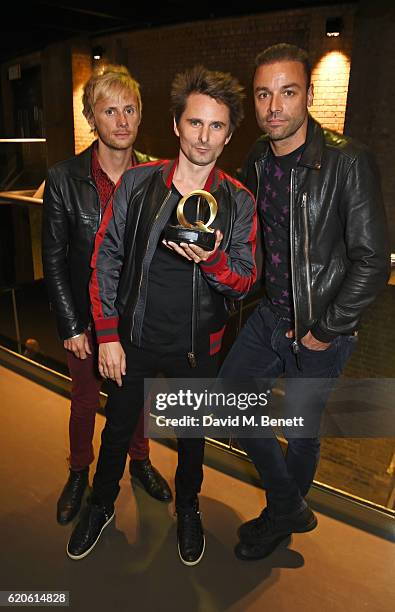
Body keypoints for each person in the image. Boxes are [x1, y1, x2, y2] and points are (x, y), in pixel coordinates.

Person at [66, 65, 257, 565]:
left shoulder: (238, 201)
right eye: (195, 123)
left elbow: (244, 278)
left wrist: (213, 260)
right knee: (116, 430)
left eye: (216, 126)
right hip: (134, 341)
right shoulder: (138, 183)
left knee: (191, 441)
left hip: (198, 347)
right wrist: (107, 334)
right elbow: (105, 257)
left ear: (229, 134)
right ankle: (101, 503)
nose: (204, 136)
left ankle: (188, 507)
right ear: (176, 124)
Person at [220, 43, 390, 560]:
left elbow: (373, 260)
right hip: (272, 313)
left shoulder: (347, 161)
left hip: (323, 325)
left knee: (301, 428)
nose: (275, 106)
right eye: (265, 94)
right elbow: (249, 229)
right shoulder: (255, 156)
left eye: (288, 92)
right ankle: (289, 504)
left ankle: (277, 520)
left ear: (309, 95)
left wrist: (326, 328)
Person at [42, 65, 172, 527]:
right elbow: (54, 259)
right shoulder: (63, 177)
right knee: (84, 401)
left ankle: (139, 460)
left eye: (130, 109)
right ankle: (80, 472)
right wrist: (71, 325)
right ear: (91, 117)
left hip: (135, 321)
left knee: (134, 399)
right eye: (110, 110)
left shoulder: (158, 175)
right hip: (86, 319)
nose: (121, 120)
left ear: (140, 115)